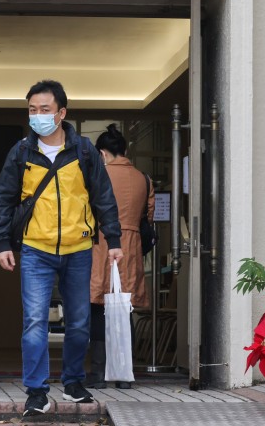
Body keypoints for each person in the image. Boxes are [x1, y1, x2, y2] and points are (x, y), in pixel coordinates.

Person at [0, 80, 122, 417]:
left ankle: (74, 382)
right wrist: (2, 243)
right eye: (32, 110)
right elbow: (2, 199)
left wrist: (114, 241)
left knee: (78, 322)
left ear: (62, 113)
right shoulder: (21, 152)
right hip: (36, 249)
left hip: (78, 248)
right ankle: (36, 392)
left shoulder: (84, 150)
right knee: (35, 322)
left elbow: (103, 196)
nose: (37, 116)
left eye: (44, 110)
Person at [85, 124, 155, 390]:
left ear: (102, 153)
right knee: (125, 309)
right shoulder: (143, 178)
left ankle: (99, 372)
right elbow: (148, 218)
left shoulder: (97, 175)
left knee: (97, 308)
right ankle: (125, 374)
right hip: (131, 247)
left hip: (101, 243)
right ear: (124, 151)